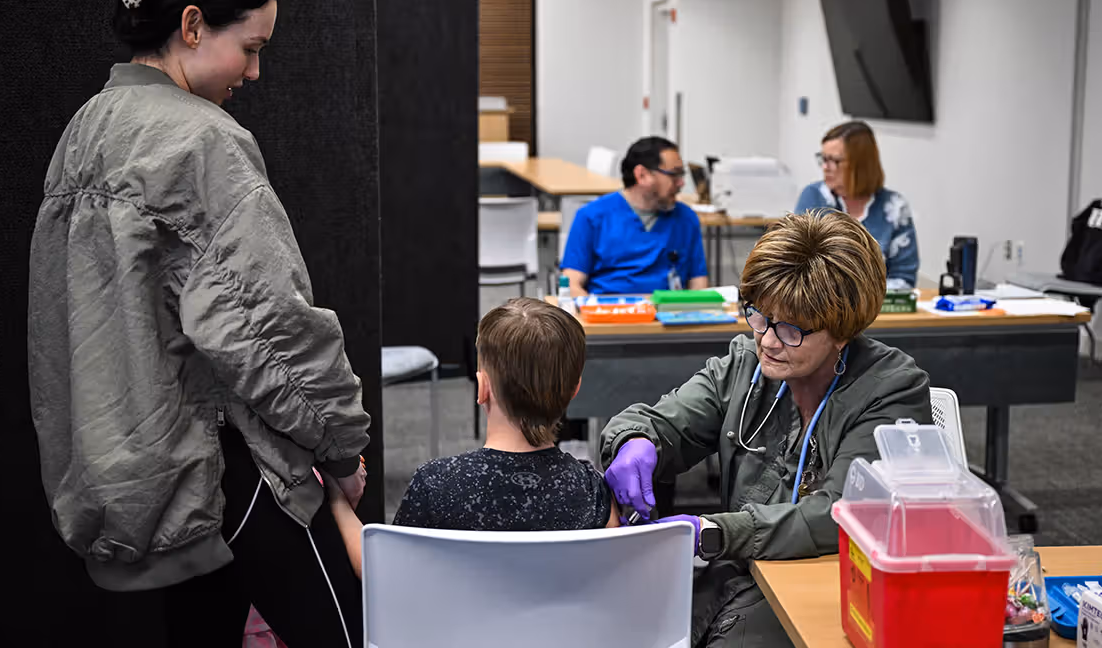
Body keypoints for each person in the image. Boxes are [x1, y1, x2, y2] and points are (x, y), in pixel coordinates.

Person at [27, 0, 367, 646]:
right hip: (226, 465)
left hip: (138, 477)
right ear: (190, 26)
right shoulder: (202, 139)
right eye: (250, 49)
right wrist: (341, 445)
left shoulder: (85, 130)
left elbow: (62, 329)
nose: (253, 73)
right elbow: (269, 329)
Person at [600, 210, 930, 646]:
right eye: (759, 316)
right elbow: (665, 421)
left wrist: (720, 532)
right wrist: (635, 442)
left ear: (843, 330)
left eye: (791, 328)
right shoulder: (747, 364)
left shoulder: (890, 389)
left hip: (821, 581)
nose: (769, 340)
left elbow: (843, 515)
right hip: (734, 573)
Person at [326, 298, 621, 578]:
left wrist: (337, 500)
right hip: (564, 632)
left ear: (482, 388)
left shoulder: (436, 485)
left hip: (455, 633)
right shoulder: (593, 490)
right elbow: (613, 571)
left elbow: (382, 572)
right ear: (575, 390)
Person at [561, 136, 710, 296]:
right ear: (642, 175)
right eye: (674, 175)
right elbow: (572, 285)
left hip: (669, 316)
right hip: (609, 314)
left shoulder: (686, 219)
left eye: (682, 175)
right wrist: (592, 312)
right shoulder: (592, 217)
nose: (681, 183)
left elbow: (698, 285)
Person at [795, 121, 920, 289]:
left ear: (860, 165)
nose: (825, 167)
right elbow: (795, 267)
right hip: (818, 310)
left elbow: (904, 278)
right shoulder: (812, 197)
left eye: (834, 160)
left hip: (878, 311)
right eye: (823, 159)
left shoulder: (895, 207)